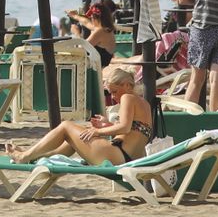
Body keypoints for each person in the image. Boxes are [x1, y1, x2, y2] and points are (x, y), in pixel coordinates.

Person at [8, 65, 155, 165]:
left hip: (116, 155)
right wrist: (107, 125)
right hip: (127, 157)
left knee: (66, 126)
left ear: (127, 85)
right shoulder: (144, 104)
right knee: (75, 136)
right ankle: (33, 155)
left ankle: (25, 156)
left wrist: (97, 131)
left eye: (115, 92)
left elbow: (124, 127)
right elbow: (133, 131)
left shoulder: (127, 98)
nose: (113, 97)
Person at [68, 0, 118, 66]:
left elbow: (81, 49)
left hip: (99, 69)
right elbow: (86, 22)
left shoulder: (99, 31)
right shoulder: (106, 29)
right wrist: (74, 16)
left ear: (96, 18)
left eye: (92, 18)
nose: (91, 20)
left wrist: (76, 33)